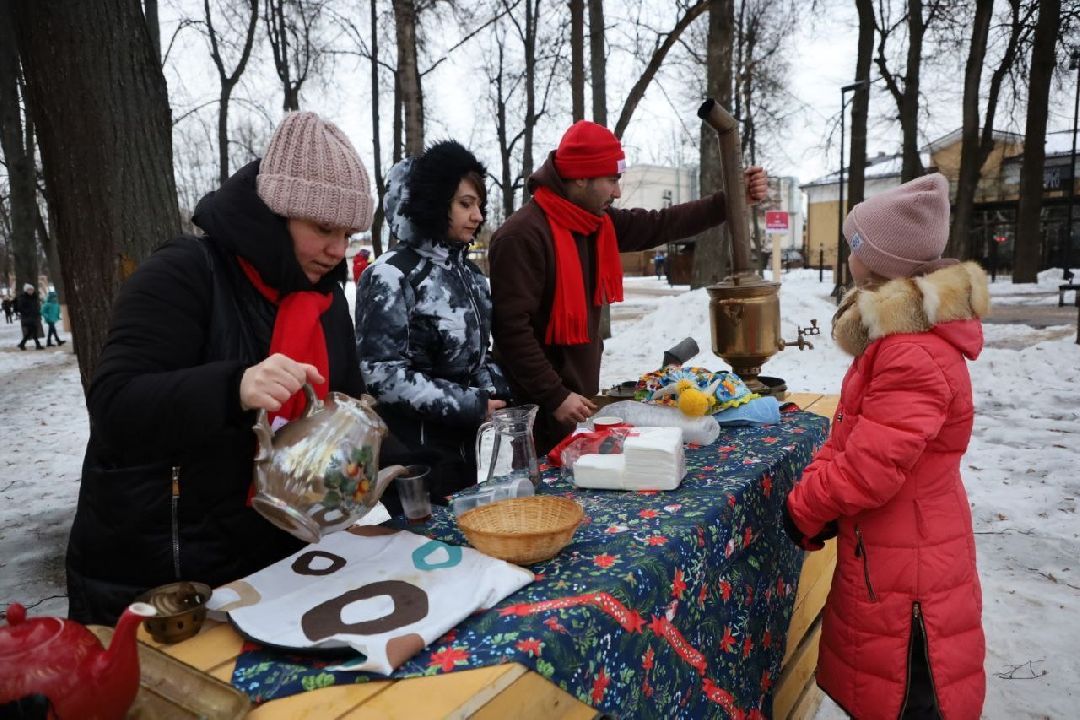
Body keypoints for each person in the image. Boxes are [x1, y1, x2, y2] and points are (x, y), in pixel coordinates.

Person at [66, 112, 376, 626]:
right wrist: (233, 386)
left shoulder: (325, 301)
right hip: (163, 582)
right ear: (277, 213)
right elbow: (115, 405)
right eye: (323, 228)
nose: (338, 251)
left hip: (276, 566)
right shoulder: (185, 272)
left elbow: (343, 412)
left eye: (348, 233)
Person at [783, 174, 987, 719]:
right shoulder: (895, 338)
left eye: (855, 245)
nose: (849, 255)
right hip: (893, 552)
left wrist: (804, 507)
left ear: (877, 263)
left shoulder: (911, 353)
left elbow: (868, 470)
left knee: (909, 696)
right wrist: (819, 495)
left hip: (910, 575)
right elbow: (853, 434)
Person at [489, 120, 768, 453]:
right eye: (612, 180)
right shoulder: (521, 236)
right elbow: (511, 330)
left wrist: (732, 200)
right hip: (531, 413)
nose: (617, 192)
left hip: (574, 402)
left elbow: (661, 224)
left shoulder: (595, 222)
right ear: (580, 176)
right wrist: (555, 395)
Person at [355, 140, 511, 504]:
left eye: (480, 205)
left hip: (472, 447)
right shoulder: (390, 276)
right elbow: (382, 374)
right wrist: (471, 405)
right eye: (465, 204)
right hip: (417, 455)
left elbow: (477, 356)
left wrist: (500, 396)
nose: (478, 216)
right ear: (433, 202)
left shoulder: (470, 275)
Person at [16, 283, 44, 351]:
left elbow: (35, 306)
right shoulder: (23, 298)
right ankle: (37, 345)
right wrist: (27, 312)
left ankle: (22, 344)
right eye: (29, 290)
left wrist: (37, 313)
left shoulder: (34, 297)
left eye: (31, 290)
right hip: (27, 317)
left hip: (33, 317)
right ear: (26, 290)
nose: (31, 291)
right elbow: (19, 308)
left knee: (31, 332)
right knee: (32, 331)